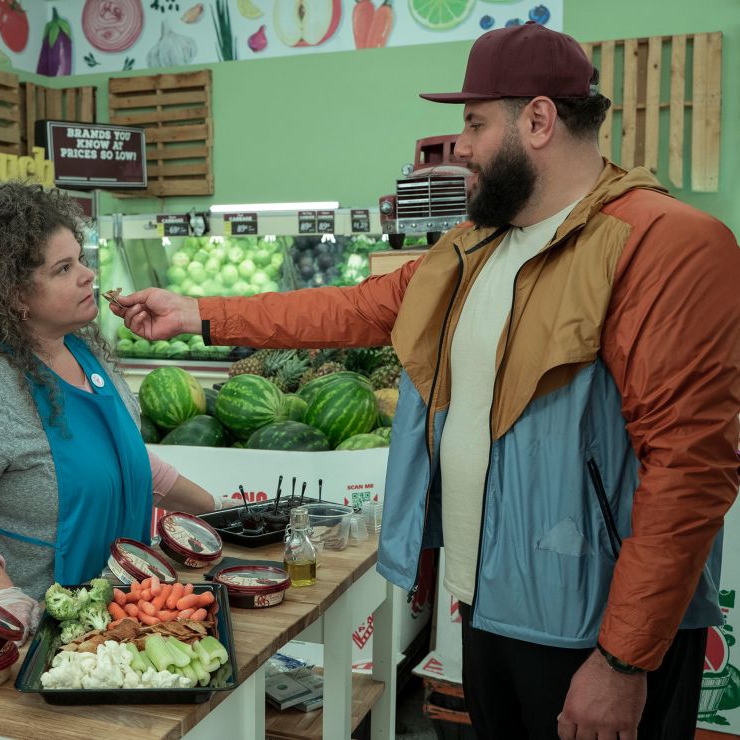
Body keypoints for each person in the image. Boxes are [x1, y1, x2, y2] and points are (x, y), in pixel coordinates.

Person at [113, 22, 740, 740]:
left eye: (474, 122)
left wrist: (624, 660)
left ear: (537, 119)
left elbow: (692, 470)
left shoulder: (665, 245)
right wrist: (199, 311)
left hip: (592, 631)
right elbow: (353, 306)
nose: (462, 145)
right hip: (489, 607)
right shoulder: (473, 246)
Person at [0, 182, 219, 679]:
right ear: (15, 295)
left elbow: (127, 456)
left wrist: (219, 512)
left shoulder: (81, 350)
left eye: (80, 259)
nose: (87, 275)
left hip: (56, 625)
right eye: (63, 269)